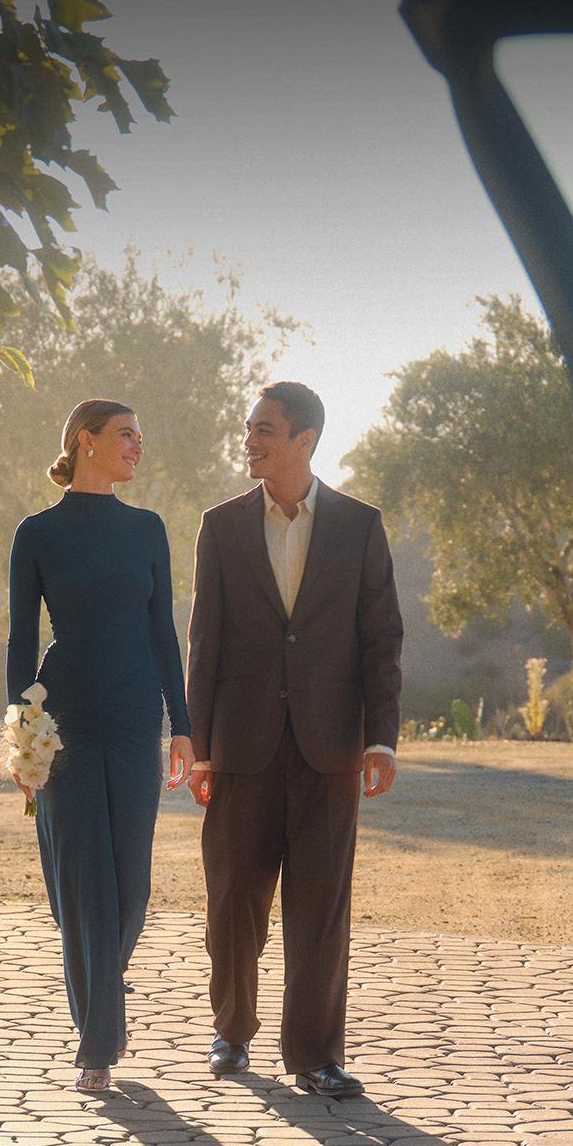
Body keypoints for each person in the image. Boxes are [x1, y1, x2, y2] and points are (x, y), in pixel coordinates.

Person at [185, 381, 403, 1098]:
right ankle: (232, 1031)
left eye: (266, 430)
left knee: (321, 908)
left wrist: (382, 739)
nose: (251, 440)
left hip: (331, 748)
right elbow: (204, 643)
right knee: (233, 902)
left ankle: (314, 1055)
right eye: (249, 428)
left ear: (305, 439)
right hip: (242, 747)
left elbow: (380, 641)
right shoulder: (220, 527)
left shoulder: (360, 525)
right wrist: (199, 743)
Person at [7, 399, 195, 1093]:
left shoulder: (147, 529)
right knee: (83, 888)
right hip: (70, 723)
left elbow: (162, 633)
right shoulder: (37, 533)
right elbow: (21, 642)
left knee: (130, 886)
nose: (137, 447)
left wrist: (183, 725)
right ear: (86, 443)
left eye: (141, 438)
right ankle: (99, 1046)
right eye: (125, 436)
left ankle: (97, 1000)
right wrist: (23, 742)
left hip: (135, 715)